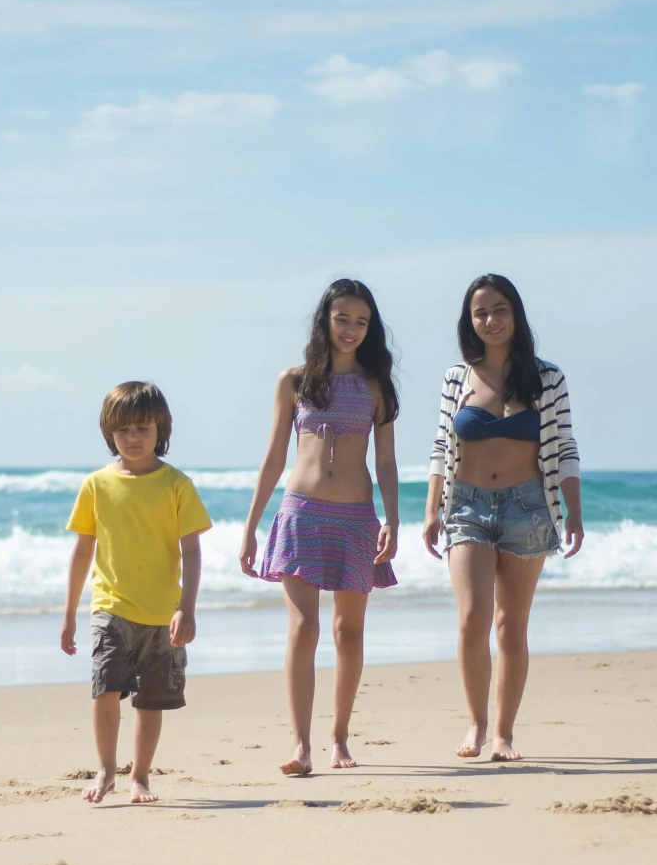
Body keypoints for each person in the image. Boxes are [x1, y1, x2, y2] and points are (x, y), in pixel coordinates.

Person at [238, 278, 402, 776]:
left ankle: (339, 738)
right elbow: (273, 458)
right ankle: (300, 746)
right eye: (342, 319)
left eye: (361, 322)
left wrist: (392, 519)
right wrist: (250, 526)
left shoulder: (377, 386)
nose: (351, 329)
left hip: (355, 517)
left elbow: (388, 463)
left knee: (348, 634)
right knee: (303, 629)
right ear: (324, 320)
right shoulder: (294, 381)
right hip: (301, 513)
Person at [422, 274, 584, 762]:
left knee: (511, 627)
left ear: (515, 315)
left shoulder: (547, 378)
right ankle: (475, 724)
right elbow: (439, 447)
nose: (490, 320)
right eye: (480, 313)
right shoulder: (457, 377)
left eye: (499, 310)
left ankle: (504, 734)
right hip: (466, 505)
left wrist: (573, 511)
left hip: (528, 506)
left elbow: (566, 447)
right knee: (472, 618)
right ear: (469, 321)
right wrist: (432, 509)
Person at [60, 381, 212, 804]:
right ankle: (107, 768)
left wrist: (188, 608)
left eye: (143, 428)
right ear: (109, 432)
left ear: (160, 429)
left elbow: (192, 552)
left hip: (164, 612)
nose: (133, 438)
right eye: (124, 429)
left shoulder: (176, 484)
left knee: (151, 700)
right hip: (110, 605)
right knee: (105, 687)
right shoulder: (96, 485)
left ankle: (140, 776)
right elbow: (82, 550)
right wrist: (70, 611)